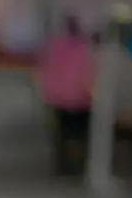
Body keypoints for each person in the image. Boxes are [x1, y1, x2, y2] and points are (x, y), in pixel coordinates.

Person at [36, 14, 94, 176]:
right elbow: (87, 73)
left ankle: (63, 164)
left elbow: (47, 71)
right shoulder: (84, 46)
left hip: (59, 98)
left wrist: (48, 93)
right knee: (82, 134)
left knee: (62, 133)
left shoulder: (55, 46)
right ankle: (80, 163)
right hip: (81, 99)